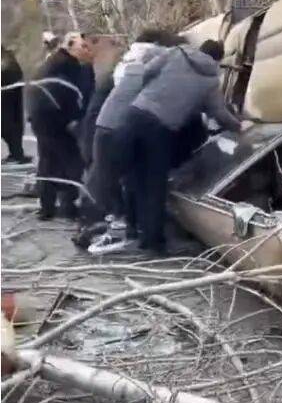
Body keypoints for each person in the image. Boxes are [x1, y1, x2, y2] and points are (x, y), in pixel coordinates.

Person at [119, 39, 241, 254]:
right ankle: (153, 242)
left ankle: (132, 230)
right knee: (155, 183)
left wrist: (154, 92)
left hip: (135, 113)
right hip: (160, 128)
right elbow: (219, 114)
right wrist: (239, 126)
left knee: (133, 175)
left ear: (200, 48)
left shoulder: (175, 53)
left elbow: (146, 72)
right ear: (218, 59)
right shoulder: (211, 81)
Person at [79, 29, 182, 251]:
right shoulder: (161, 59)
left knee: (123, 181)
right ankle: (141, 236)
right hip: (129, 128)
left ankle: (124, 229)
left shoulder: (128, 63)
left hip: (105, 126)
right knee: (145, 184)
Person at [27, 32, 94, 219]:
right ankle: (69, 207)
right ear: (70, 46)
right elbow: (79, 95)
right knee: (72, 161)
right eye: (83, 47)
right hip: (54, 117)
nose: (87, 51)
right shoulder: (71, 66)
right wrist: (75, 119)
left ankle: (46, 208)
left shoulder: (53, 62)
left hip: (40, 116)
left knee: (48, 161)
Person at [1, 46, 31, 163]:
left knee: (7, 126)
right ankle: (16, 153)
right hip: (10, 93)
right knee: (11, 125)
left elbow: (8, 73)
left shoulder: (7, 61)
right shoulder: (8, 58)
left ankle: (17, 155)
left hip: (7, 94)